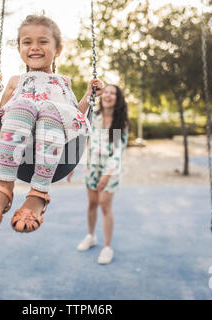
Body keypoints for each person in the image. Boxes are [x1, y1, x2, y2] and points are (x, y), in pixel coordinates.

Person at [0, 15, 104, 233]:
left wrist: (88, 96)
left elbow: (74, 119)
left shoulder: (63, 82)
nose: (34, 47)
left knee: (51, 110)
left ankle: (38, 193)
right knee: (24, 105)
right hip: (20, 143)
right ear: (19, 48)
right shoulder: (16, 81)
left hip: (56, 144)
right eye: (27, 42)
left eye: (43, 42)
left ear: (58, 49)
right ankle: (4, 187)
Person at [67, 84, 130, 264]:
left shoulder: (120, 123)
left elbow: (117, 152)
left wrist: (107, 174)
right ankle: (91, 236)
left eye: (113, 93)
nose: (108, 95)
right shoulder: (94, 116)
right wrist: (71, 165)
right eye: (106, 92)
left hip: (110, 168)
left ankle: (107, 247)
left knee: (104, 205)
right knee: (92, 203)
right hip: (92, 165)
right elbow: (82, 138)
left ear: (118, 99)